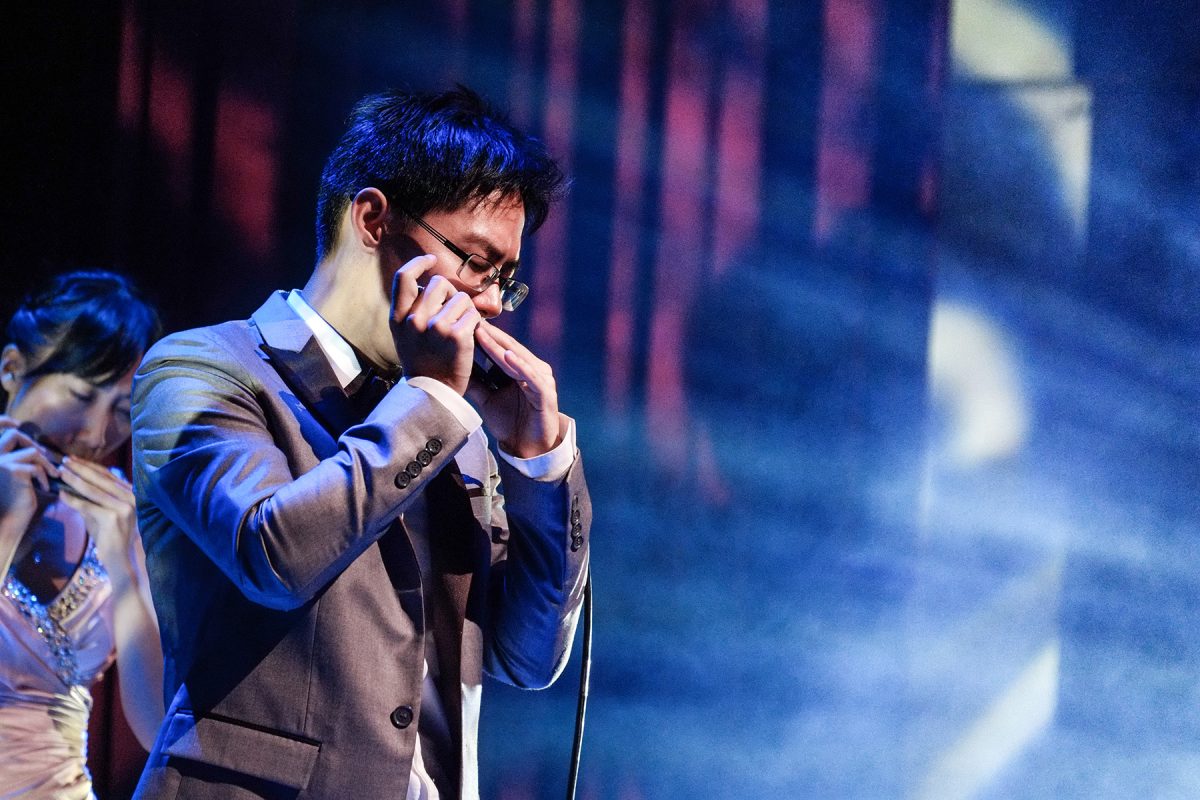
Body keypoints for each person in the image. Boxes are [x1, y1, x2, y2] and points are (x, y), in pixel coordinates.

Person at [130, 87, 591, 800]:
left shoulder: (450, 426)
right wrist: (432, 399)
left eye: (506, 279)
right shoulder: (202, 370)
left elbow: (525, 658)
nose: (494, 302)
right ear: (373, 219)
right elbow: (273, 556)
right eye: (476, 262)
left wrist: (540, 463)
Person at [0, 270, 164, 799]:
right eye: (80, 395)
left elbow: (158, 728)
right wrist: (8, 523)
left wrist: (124, 564)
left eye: (122, 412)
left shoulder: (122, 517)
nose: (95, 435)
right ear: (12, 368)